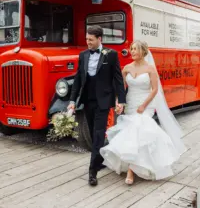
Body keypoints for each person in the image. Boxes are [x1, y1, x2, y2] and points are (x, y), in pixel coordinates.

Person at [100, 41, 186, 185]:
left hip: (146, 104)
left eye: (135, 49)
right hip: (131, 102)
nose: (132, 51)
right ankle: (134, 164)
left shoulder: (150, 69)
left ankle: (131, 171)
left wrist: (144, 105)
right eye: (132, 49)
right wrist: (118, 102)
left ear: (143, 52)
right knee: (133, 134)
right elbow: (120, 88)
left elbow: (154, 90)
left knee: (139, 129)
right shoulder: (127, 68)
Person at [67, 25, 126, 186]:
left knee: (99, 133)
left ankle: (92, 171)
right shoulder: (83, 55)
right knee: (94, 135)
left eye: (91, 40)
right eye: (87, 39)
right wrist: (72, 101)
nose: (88, 42)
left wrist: (121, 100)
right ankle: (99, 160)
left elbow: (118, 79)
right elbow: (78, 79)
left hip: (103, 100)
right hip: (87, 99)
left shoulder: (111, 55)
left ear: (100, 39)